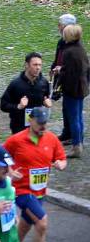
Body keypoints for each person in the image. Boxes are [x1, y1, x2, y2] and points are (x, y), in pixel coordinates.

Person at [2, 107, 66, 242]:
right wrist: (10, 172)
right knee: (42, 223)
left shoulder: (52, 139)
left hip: (40, 191)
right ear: (30, 120)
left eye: (45, 123)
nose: (43, 126)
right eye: (40, 123)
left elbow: (62, 158)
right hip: (21, 191)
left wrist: (61, 164)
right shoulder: (16, 140)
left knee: (25, 224)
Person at [56, 24, 89, 158]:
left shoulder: (69, 52)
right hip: (82, 88)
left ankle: (76, 145)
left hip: (72, 89)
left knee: (74, 117)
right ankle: (79, 141)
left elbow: (69, 73)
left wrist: (60, 71)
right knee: (79, 116)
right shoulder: (80, 49)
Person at [0, 53, 52, 134]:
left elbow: (46, 98)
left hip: (37, 127)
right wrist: (18, 106)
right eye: (35, 65)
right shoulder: (15, 84)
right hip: (19, 128)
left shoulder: (44, 83)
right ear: (26, 65)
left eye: (40, 65)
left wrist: (46, 103)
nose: (38, 68)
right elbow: (3, 105)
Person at [50, 13, 78, 144]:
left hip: (72, 82)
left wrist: (60, 69)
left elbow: (72, 67)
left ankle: (74, 137)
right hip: (62, 78)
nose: (58, 27)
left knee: (72, 111)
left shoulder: (73, 45)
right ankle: (67, 133)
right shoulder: (62, 41)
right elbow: (58, 58)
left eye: (60, 25)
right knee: (65, 108)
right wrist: (53, 68)